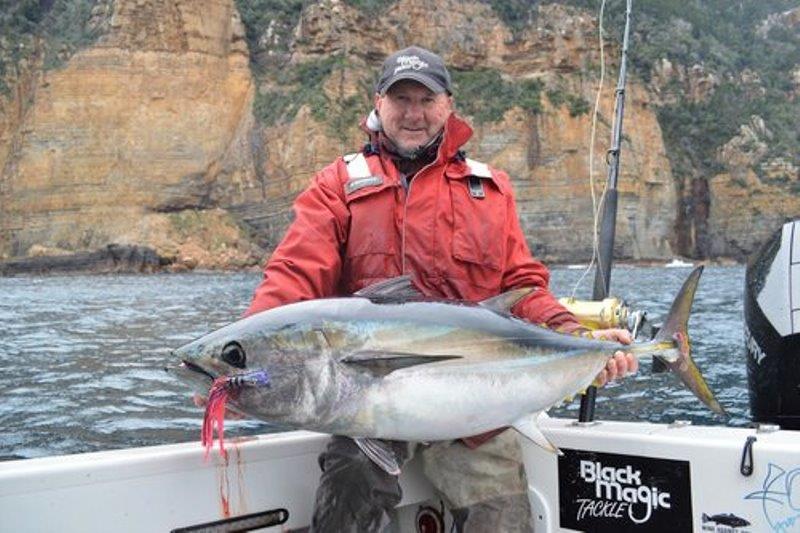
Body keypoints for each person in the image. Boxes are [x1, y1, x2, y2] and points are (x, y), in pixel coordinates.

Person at [243, 46, 637, 532]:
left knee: (501, 516)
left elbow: (522, 285)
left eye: (426, 99)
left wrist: (576, 335)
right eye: (400, 99)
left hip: (476, 399)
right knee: (349, 487)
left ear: (448, 105)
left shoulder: (489, 190)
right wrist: (246, 354)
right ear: (378, 104)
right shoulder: (338, 185)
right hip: (374, 403)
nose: (413, 113)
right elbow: (294, 273)